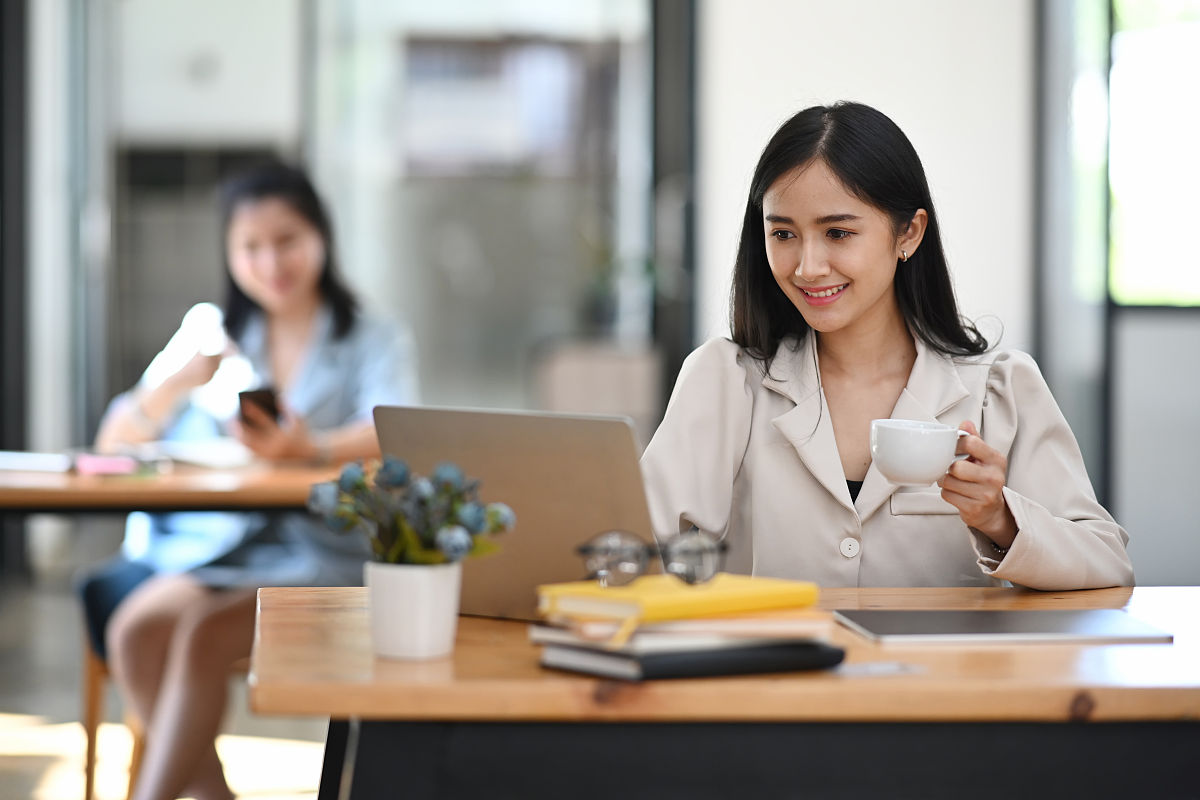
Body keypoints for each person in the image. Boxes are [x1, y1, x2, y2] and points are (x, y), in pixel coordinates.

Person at [640, 102, 1133, 591]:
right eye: (784, 233)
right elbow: (632, 547)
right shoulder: (728, 380)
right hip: (777, 671)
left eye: (838, 232)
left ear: (909, 233)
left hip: (941, 672)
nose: (808, 266)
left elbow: (1106, 562)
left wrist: (1000, 519)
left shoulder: (997, 389)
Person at [80, 162, 418, 800]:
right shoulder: (213, 332)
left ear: (321, 236)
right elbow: (115, 441)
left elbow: (393, 428)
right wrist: (179, 380)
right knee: (134, 629)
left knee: (204, 636)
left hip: (323, 548)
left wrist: (310, 446)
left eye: (286, 241)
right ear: (230, 254)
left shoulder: (371, 335)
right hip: (221, 545)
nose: (270, 262)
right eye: (250, 247)